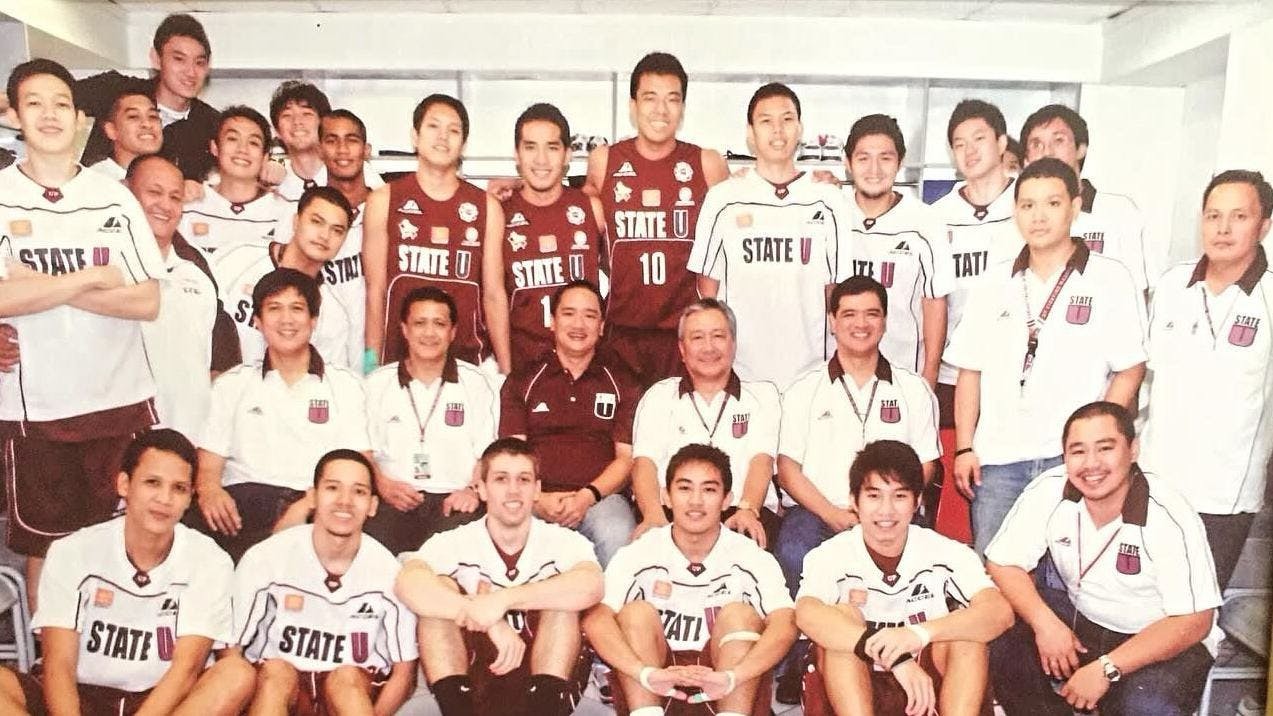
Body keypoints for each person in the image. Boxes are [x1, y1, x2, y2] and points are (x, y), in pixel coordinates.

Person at [0, 59, 163, 608]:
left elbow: (146, 301)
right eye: (35, 104)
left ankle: (106, 650)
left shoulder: (113, 196)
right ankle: (53, 653)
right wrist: (91, 277)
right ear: (15, 116)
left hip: (118, 402)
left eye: (61, 104)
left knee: (119, 546)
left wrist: (38, 284)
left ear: (79, 118)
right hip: (36, 411)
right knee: (47, 548)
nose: (49, 115)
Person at [945, 158, 1147, 554]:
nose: (1038, 217)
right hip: (998, 461)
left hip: (1070, 462)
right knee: (995, 570)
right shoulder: (994, 280)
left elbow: (1130, 369)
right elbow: (970, 371)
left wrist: (1093, 445)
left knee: (1068, 573)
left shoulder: (1110, 278)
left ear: (1074, 207)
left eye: (1052, 204)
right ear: (1015, 212)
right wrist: (965, 447)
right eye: (1027, 205)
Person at [986, 401, 1221, 716]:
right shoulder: (1050, 489)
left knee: (1145, 706)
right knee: (1002, 640)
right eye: (1078, 451)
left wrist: (1107, 668)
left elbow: (1195, 621)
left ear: (1133, 450)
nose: (1091, 464)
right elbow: (1003, 562)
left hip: (1159, 637)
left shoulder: (1168, 514)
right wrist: (1046, 625)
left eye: (1105, 448)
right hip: (1083, 619)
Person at [774, 275, 940, 701]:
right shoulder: (804, 389)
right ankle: (801, 660)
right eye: (848, 314)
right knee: (793, 551)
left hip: (893, 514)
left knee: (930, 562)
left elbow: (926, 464)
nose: (860, 324)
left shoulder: (913, 389)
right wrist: (833, 513)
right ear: (832, 321)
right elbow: (788, 469)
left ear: (885, 321)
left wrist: (887, 509)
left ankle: (910, 654)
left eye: (871, 314)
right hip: (820, 511)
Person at [0, 430, 247, 716]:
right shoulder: (72, 551)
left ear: (190, 498)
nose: (164, 498)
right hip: (81, 694)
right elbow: (59, 665)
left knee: (236, 674)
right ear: (124, 484)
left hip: (161, 701)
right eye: (152, 483)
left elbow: (186, 669)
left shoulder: (209, 560)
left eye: (179, 488)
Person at [796, 440, 1013, 716]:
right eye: (874, 496)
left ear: (917, 501)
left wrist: (918, 634)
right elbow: (806, 614)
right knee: (841, 617)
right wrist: (893, 656)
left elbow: (999, 612)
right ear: (854, 501)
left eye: (899, 496)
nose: (886, 510)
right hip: (855, 684)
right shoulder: (829, 555)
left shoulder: (946, 551)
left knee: (967, 634)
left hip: (926, 683)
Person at [584, 443, 797, 716]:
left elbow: (785, 623)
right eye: (685, 488)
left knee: (740, 615)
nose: (696, 501)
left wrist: (735, 676)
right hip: (656, 686)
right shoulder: (640, 552)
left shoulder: (750, 556)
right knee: (635, 614)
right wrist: (643, 673)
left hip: (727, 686)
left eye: (709, 490)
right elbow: (597, 618)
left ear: (727, 500)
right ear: (666, 496)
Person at [397, 437, 603, 716]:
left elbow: (591, 585)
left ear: (537, 490)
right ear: (481, 489)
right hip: (473, 684)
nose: (513, 490)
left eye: (523, 480)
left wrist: (502, 600)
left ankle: (543, 708)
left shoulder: (564, 542)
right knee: (439, 591)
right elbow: (408, 583)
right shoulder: (452, 541)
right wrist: (487, 618)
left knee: (562, 599)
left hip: (548, 688)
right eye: (501, 479)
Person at [1141, 170, 1273, 588]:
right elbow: (1145, 378)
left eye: (1239, 216)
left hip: (1225, 494)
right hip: (1156, 481)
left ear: (1264, 225)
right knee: (1143, 601)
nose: (1223, 228)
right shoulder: (1171, 285)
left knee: (1199, 611)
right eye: (1213, 215)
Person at [193, 268, 371, 561]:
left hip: (313, 508)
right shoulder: (232, 384)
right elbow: (209, 467)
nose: (286, 319)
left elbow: (359, 463)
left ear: (314, 320)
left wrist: (307, 504)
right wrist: (210, 490)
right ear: (258, 321)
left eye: (297, 309)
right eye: (274, 308)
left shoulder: (346, 385)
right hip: (244, 509)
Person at [221, 450, 419, 714]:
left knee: (346, 679)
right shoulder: (266, 559)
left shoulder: (388, 572)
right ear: (313, 497)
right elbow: (230, 651)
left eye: (358, 492)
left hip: (353, 691)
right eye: (333, 488)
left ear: (373, 505)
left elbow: (404, 673)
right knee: (277, 673)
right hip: (280, 688)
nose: (345, 501)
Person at [687, 82, 851, 391]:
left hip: (811, 375)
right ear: (750, 133)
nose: (778, 130)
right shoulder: (723, 199)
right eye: (766, 121)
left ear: (800, 128)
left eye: (787, 119)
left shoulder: (829, 200)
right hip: (742, 373)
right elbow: (707, 290)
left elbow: (837, 292)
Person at [586, 51, 730, 387]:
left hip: (683, 335)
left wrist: (814, 181)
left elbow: (750, 202)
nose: (661, 110)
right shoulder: (604, 160)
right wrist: (516, 186)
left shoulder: (707, 163)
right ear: (633, 105)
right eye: (650, 98)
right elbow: (568, 206)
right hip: (620, 333)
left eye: (672, 99)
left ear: (683, 108)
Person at [364, 93, 509, 374]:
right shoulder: (384, 200)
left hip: (468, 366)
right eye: (433, 126)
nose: (443, 136)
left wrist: (506, 371)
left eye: (453, 130)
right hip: (399, 364)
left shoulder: (487, 207)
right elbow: (376, 292)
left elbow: (493, 295)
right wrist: (370, 365)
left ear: (463, 143)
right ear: (415, 137)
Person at [499, 280, 638, 566]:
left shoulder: (623, 381)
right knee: (503, 525)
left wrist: (586, 497)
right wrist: (538, 499)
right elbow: (511, 456)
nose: (578, 324)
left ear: (601, 326)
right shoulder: (523, 380)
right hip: (534, 498)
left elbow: (626, 460)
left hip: (600, 500)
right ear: (552, 321)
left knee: (617, 532)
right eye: (569, 313)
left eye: (590, 315)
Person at [630, 298, 780, 546]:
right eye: (697, 338)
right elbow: (644, 463)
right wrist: (653, 515)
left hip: (740, 512)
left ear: (733, 343)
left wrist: (748, 508)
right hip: (672, 514)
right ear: (682, 348)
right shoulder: (659, 396)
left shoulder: (763, 396)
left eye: (718, 336)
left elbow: (761, 460)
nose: (708, 347)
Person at [364, 286, 497, 555]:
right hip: (394, 498)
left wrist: (472, 490)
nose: (429, 333)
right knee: (372, 548)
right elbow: (363, 450)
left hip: (455, 500)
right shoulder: (376, 383)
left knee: (457, 554)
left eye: (439, 324)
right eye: (420, 323)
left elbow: (488, 453)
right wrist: (383, 485)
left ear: (453, 332)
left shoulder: (476, 383)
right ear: (404, 329)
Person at [128, 154, 241, 440]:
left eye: (175, 197)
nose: (165, 205)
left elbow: (220, 344)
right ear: (127, 193)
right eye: (154, 193)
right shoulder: (102, 263)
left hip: (190, 437)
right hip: (126, 437)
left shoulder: (197, 268)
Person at [931, 100, 1021, 433]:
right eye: (959, 144)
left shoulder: (1028, 205)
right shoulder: (937, 216)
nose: (969, 151)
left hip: (1014, 374)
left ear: (1001, 143)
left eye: (979, 139)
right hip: (953, 374)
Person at [844, 113, 954, 387]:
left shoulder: (925, 222)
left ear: (900, 162)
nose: (874, 169)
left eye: (885, 158)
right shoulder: (833, 213)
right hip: (841, 373)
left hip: (904, 373)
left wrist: (929, 376)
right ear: (847, 163)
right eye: (863, 158)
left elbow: (935, 302)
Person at [495, 102, 606, 372]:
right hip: (523, 368)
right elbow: (493, 298)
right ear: (517, 155)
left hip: (583, 368)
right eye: (530, 147)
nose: (541, 160)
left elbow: (623, 283)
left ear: (567, 155)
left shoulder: (590, 208)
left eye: (552, 148)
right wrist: (505, 371)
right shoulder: (499, 213)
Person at [209, 185, 362, 368]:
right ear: (296, 222)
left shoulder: (333, 313)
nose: (324, 236)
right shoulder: (238, 256)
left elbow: (323, 380)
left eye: (337, 230)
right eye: (316, 222)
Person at [72, 13, 219, 182]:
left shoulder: (212, 125)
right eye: (179, 59)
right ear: (156, 59)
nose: (191, 72)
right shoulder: (115, 89)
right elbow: (57, 96)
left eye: (199, 62)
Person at [1020, 104, 1151, 290]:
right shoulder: (1019, 215)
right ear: (1026, 159)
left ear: (1081, 149)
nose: (1047, 152)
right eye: (1036, 144)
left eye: (1058, 140)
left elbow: (1137, 289)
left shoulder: (1119, 211)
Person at [178, 106, 291, 255]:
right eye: (232, 139)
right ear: (215, 147)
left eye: (253, 143)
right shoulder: (188, 205)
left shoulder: (284, 212)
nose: (242, 149)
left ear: (265, 157)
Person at [269, 81, 330, 201]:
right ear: (277, 131)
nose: (297, 122)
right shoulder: (272, 186)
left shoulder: (353, 175)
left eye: (306, 114)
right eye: (287, 115)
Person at [91, 90, 162, 181]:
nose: (147, 124)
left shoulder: (170, 177)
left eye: (153, 116)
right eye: (133, 116)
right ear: (111, 130)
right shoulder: (95, 179)